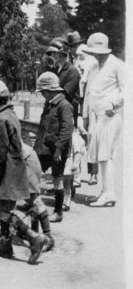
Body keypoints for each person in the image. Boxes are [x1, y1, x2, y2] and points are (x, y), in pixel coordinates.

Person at [0, 79, 48, 265]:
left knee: (1, 211)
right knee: (5, 208)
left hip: (6, 172)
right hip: (15, 168)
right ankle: (6, 246)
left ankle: (34, 238)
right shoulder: (11, 114)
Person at [82, 32, 124, 207]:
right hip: (96, 116)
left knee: (107, 155)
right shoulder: (93, 67)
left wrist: (113, 104)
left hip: (111, 115)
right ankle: (104, 191)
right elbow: (89, 92)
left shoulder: (118, 66)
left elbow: (127, 90)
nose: (93, 55)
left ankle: (110, 193)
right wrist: (85, 116)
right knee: (101, 156)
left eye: (95, 52)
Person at [34, 72, 74, 223]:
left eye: (43, 93)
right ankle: (34, 205)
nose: (43, 95)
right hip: (44, 148)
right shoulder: (49, 104)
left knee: (57, 178)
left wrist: (58, 148)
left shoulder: (64, 105)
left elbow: (67, 129)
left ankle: (58, 212)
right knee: (34, 172)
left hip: (57, 150)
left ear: (50, 91)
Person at [74, 44, 99, 185]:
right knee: (76, 139)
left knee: (91, 140)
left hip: (89, 104)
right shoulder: (77, 63)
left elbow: (83, 83)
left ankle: (93, 174)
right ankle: (76, 176)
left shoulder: (91, 63)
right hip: (79, 103)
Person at [46, 37, 81, 127]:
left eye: (55, 53)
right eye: (51, 53)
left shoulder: (72, 71)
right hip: (56, 116)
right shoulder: (56, 70)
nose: (52, 55)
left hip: (66, 117)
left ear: (63, 53)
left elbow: (65, 94)